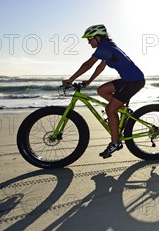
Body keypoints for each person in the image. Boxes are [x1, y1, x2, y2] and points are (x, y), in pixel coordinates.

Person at [62, 24, 145, 159]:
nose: (88, 42)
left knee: (110, 109)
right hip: (129, 80)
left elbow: (88, 64)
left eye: (90, 39)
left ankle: (115, 142)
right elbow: (100, 67)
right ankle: (123, 110)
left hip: (133, 81)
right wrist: (88, 82)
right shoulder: (107, 47)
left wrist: (71, 79)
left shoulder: (105, 47)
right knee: (101, 90)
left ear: (98, 37)